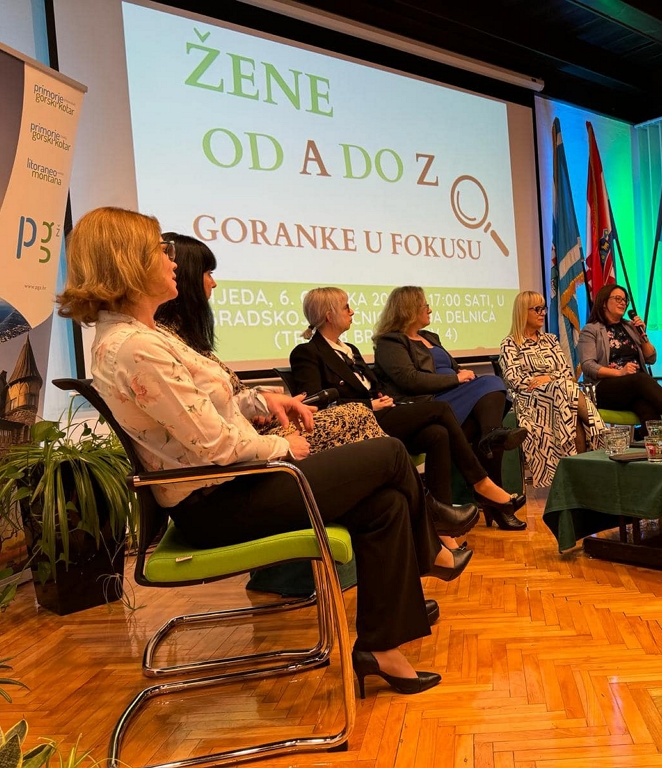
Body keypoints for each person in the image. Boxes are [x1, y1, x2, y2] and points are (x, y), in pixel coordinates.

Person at [57, 206, 472, 697]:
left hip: (237, 486)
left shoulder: (147, 337)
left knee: (384, 504)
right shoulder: (134, 349)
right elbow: (215, 443)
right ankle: (432, 549)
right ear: (127, 262)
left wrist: (263, 402)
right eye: (158, 249)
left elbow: (207, 408)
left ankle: (381, 647)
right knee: (388, 455)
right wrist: (282, 445)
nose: (171, 259)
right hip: (219, 503)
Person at [291, 287, 527, 531]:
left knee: (438, 434)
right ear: (329, 316)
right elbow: (315, 406)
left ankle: (443, 525)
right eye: (346, 307)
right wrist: (369, 405)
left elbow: (372, 386)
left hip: (382, 414)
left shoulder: (349, 349)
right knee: (440, 409)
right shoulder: (306, 353)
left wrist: (378, 395)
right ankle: (481, 483)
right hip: (357, 425)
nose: (352, 311)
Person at [154, 234, 388, 456]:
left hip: (251, 432)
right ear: (188, 278)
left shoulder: (186, 339)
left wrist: (260, 405)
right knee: (363, 420)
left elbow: (227, 400)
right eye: (208, 273)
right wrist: (259, 410)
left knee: (381, 439)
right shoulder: (162, 343)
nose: (214, 283)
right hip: (249, 444)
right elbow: (210, 420)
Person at [373, 286, 528, 528]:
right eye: (425, 305)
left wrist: (460, 373)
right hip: (430, 402)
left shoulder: (430, 337)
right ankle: (491, 495)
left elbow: (452, 367)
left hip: (455, 395)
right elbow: (410, 380)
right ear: (409, 309)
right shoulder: (390, 342)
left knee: (489, 421)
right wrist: (456, 379)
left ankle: (491, 471)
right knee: (491, 386)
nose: (430, 309)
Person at [499, 290, 604, 487]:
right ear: (523, 311)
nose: (543, 313)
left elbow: (566, 372)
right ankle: (599, 431)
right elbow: (515, 380)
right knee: (564, 391)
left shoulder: (551, 340)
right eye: (537, 309)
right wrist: (548, 383)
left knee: (566, 397)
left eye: (543, 308)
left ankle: (576, 478)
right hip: (531, 402)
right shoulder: (510, 344)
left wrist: (548, 378)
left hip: (562, 398)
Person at [577, 284, 662, 433]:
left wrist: (642, 336)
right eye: (617, 299)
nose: (623, 303)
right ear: (604, 302)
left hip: (634, 388)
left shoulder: (630, 327)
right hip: (605, 389)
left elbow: (651, 358)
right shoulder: (591, 330)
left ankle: (646, 440)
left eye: (625, 300)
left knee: (649, 412)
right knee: (641, 378)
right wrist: (620, 373)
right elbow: (588, 366)